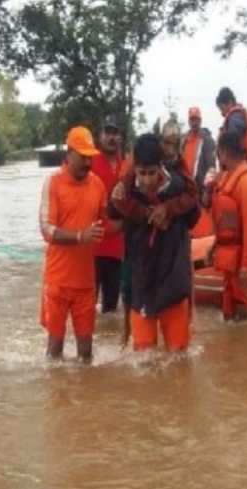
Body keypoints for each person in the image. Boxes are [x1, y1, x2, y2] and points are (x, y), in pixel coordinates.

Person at [109, 133, 199, 352]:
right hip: (142, 283)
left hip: (173, 282)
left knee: (178, 356)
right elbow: (111, 212)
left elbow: (194, 218)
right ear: (135, 169)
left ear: (161, 167)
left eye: (152, 173)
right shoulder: (125, 190)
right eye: (142, 173)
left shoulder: (180, 187)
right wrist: (122, 201)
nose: (147, 180)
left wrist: (168, 210)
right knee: (143, 359)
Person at [39, 126, 114, 363]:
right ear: (69, 153)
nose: (87, 162)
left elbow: (108, 222)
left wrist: (131, 212)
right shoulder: (52, 183)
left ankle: (87, 399)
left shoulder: (98, 185)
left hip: (85, 283)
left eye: (90, 157)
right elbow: (46, 229)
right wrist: (80, 236)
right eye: (82, 156)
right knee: (54, 350)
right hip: (57, 282)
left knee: (86, 354)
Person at [209, 131, 247, 321]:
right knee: (228, 311)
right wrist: (214, 246)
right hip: (229, 257)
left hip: (242, 259)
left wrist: (246, 267)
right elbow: (225, 222)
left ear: (223, 152)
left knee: (243, 311)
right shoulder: (227, 178)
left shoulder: (246, 182)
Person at [89, 116, 125, 313]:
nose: (111, 137)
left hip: (117, 248)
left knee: (111, 309)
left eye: (115, 133)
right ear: (100, 136)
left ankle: (108, 344)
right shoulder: (90, 163)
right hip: (92, 247)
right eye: (108, 132)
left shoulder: (126, 165)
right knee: (87, 305)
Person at [216, 87, 247, 185]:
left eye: (222, 108)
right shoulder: (238, 116)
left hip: (244, 176)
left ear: (229, 102)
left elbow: (232, 143)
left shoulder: (235, 118)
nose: (221, 113)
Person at [180, 107, 216, 194]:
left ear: (200, 121)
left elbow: (211, 167)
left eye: (197, 119)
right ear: (189, 121)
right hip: (185, 187)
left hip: (200, 188)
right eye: (192, 119)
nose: (194, 123)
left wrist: (206, 190)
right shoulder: (183, 139)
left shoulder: (207, 140)